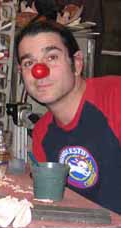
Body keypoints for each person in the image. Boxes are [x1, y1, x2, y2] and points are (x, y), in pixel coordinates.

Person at [15, 20, 121, 214]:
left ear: (77, 63)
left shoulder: (116, 97)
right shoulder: (42, 133)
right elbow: (53, 204)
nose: (40, 71)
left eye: (52, 57)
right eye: (29, 63)